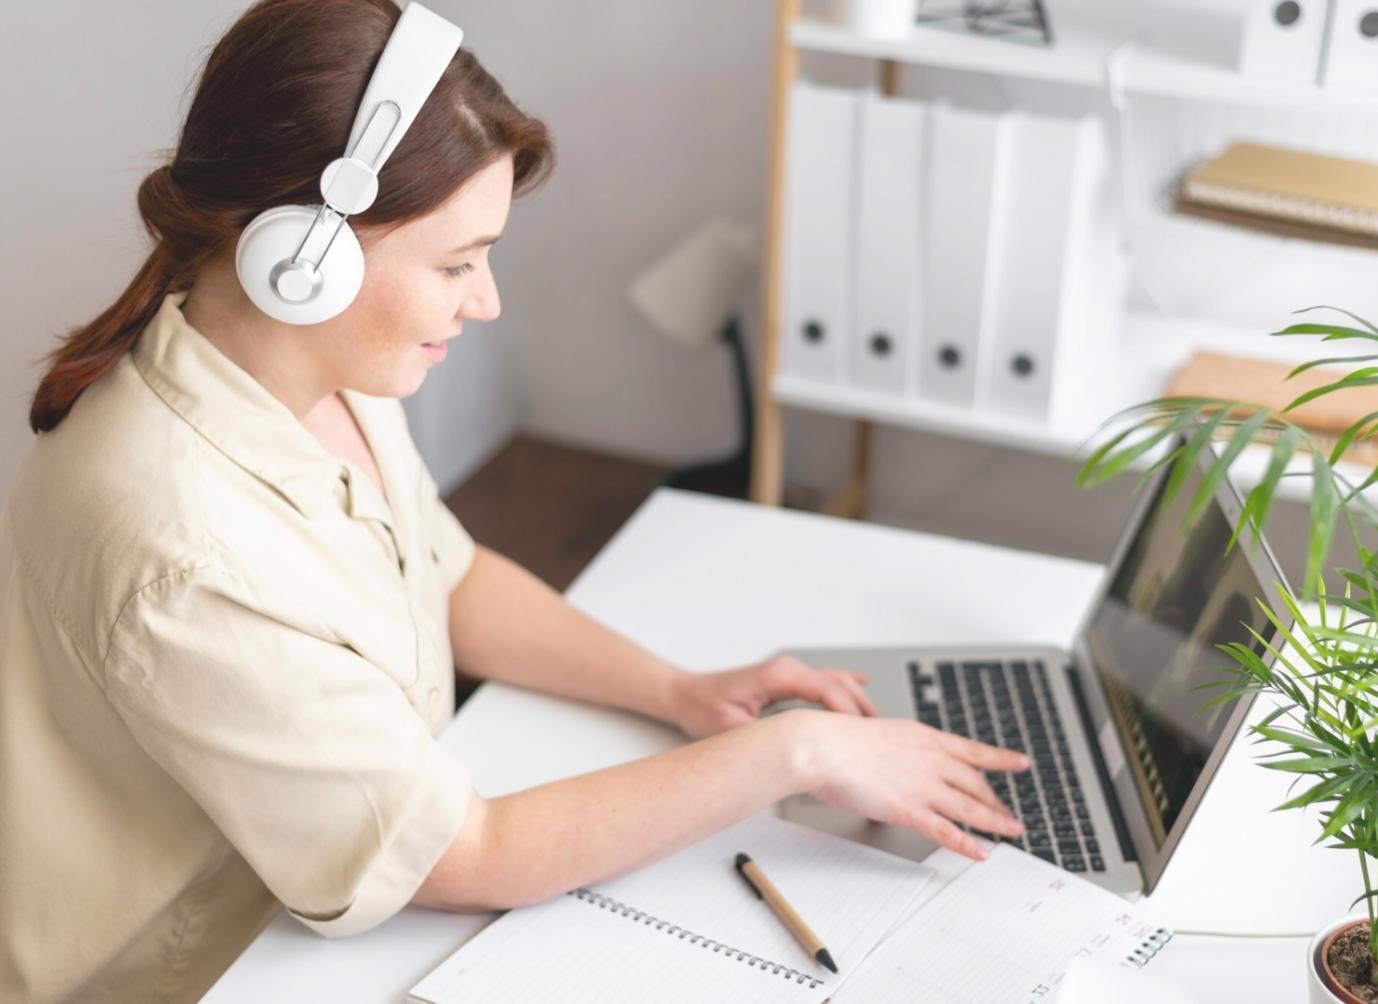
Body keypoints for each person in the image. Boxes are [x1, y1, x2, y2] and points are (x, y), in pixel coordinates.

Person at [0, 1, 1028, 1000]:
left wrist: (678, 691)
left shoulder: (318, 374)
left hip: (305, 906)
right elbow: (462, 851)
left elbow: (445, 574)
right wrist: (792, 752)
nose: (486, 299)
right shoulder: (181, 544)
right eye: (457, 262)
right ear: (303, 261)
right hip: (215, 969)